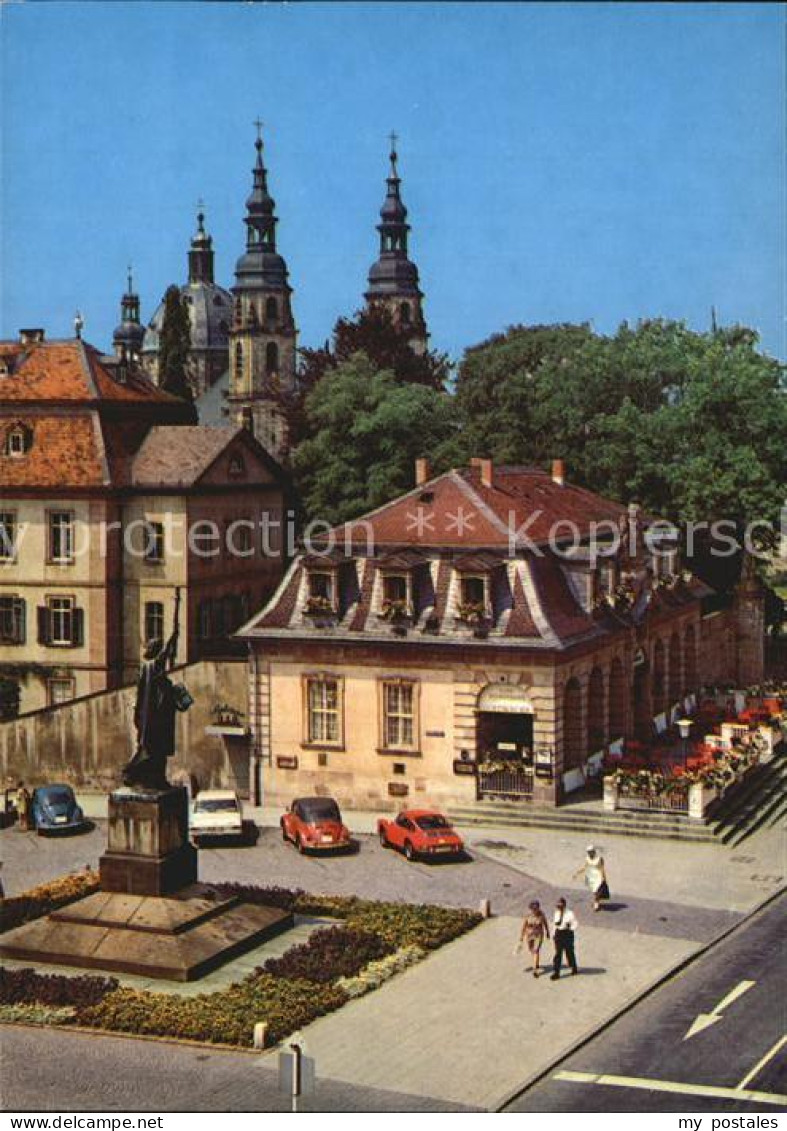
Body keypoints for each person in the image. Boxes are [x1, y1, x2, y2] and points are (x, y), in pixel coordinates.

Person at [518, 900, 550, 976]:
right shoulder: (528, 915)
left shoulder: (541, 914)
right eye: (533, 908)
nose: (535, 910)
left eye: (536, 908)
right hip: (529, 935)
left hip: (538, 935)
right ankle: (536, 963)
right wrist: (521, 937)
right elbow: (524, 926)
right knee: (531, 950)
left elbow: (545, 923)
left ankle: (535, 969)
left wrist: (547, 932)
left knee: (536, 951)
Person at [574, 844, 609, 912]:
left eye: (590, 851)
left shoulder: (599, 858)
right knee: (595, 891)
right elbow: (585, 867)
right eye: (588, 852)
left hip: (598, 876)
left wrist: (604, 878)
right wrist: (577, 873)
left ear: (594, 851)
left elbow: (602, 869)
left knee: (597, 890)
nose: (589, 853)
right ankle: (597, 901)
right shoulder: (587, 858)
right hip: (591, 876)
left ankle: (596, 903)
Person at [550, 897, 578, 980]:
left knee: (569, 952)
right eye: (558, 906)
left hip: (567, 933)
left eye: (560, 906)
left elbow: (575, 923)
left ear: (564, 905)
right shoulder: (556, 913)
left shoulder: (570, 913)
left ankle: (574, 967)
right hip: (559, 933)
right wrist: (553, 934)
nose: (559, 907)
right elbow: (555, 924)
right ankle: (556, 972)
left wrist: (570, 928)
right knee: (558, 954)